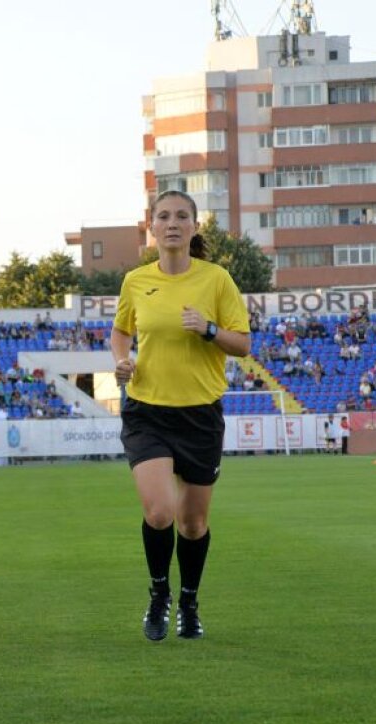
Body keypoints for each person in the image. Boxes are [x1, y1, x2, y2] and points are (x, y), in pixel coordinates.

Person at [111, 190, 250, 642]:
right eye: (164, 216)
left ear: (193, 227)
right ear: (151, 227)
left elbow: (243, 344)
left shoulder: (216, 280)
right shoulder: (135, 281)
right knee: (159, 513)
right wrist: (122, 359)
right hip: (146, 410)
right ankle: (159, 594)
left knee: (193, 524)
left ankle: (189, 601)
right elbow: (120, 331)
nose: (172, 223)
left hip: (199, 415)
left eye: (182, 217)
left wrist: (208, 330)